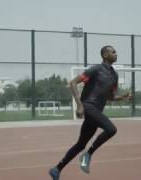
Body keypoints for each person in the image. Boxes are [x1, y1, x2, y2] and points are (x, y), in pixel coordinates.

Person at [49, 45, 132, 180]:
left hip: (96, 112)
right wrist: (80, 105)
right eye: (113, 52)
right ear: (105, 55)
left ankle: (56, 169)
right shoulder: (96, 70)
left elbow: (110, 96)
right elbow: (73, 83)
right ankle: (87, 155)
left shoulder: (114, 75)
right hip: (88, 107)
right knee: (111, 129)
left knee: (81, 144)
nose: (116, 54)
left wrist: (122, 97)